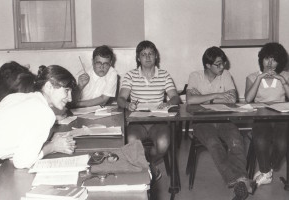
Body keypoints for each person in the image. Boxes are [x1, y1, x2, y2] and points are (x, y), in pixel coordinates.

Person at [186, 46, 255, 200]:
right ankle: (239, 181)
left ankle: (241, 181)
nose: (222, 67)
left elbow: (232, 99)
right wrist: (218, 95)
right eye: (218, 64)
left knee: (236, 140)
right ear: (207, 65)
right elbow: (190, 100)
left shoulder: (226, 74)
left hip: (224, 119)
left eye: (223, 63)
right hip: (201, 122)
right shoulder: (195, 76)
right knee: (213, 143)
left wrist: (204, 97)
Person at [0, 65, 77, 177]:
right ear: (49, 86)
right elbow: (21, 162)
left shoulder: (18, 97)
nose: (70, 98)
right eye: (66, 90)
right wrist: (52, 147)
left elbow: (14, 145)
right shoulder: (45, 113)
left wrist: (45, 142)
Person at [117, 40, 181, 183]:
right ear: (138, 58)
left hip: (158, 122)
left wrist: (168, 103)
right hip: (136, 122)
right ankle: (150, 167)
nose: (147, 57)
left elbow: (175, 98)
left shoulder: (164, 75)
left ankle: (146, 166)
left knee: (163, 143)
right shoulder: (130, 75)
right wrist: (128, 104)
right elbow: (120, 99)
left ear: (156, 56)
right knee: (131, 141)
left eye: (150, 54)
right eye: (143, 54)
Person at [245, 42, 289, 187]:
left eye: (274, 59)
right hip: (261, 117)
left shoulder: (286, 76)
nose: (270, 63)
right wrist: (259, 79)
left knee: (283, 143)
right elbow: (248, 99)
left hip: (282, 117)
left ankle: (267, 169)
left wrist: (283, 82)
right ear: (261, 59)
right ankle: (265, 171)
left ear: (280, 61)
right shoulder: (252, 77)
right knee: (261, 139)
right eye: (267, 58)